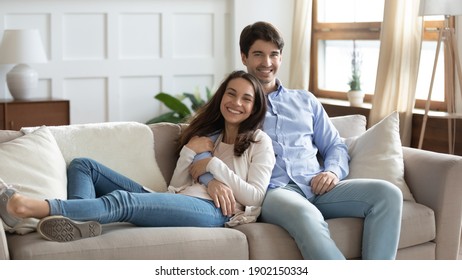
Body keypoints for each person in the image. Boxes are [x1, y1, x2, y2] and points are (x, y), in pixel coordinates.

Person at [0, 70, 275, 242]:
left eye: (246, 98)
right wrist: (191, 151)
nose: (236, 103)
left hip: (213, 212)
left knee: (122, 201)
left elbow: (254, 197)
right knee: (84, 166)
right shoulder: (207, 136)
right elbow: (175, 186)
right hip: (178, 198)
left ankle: (27, 208)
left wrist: (212, 166)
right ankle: (79, 220)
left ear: (255, 107)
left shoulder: (259, 142)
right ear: (221, 96)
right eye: (231, 93)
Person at [238, 21, 403, 260]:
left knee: (388, 194)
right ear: (244, 57)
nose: (267, 63)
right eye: (258, 54)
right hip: (275, 192)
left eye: (274, 54)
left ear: (281, 58)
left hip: (318, 186)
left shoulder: (305, 101)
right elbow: (204, 137)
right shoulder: (236, 103)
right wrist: (203, 160)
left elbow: (335, 145)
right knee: (307, 215)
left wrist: (332, 172)